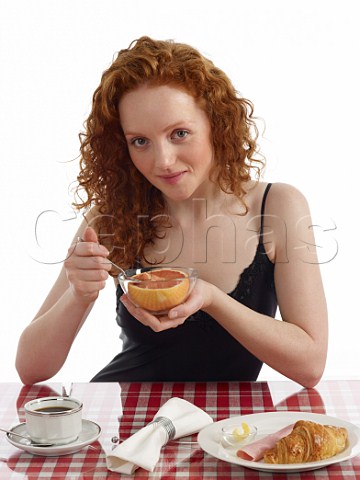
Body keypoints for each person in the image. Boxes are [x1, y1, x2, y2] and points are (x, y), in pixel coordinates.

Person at [16, 36, 328, 388]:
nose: (162, 161)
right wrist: (78, 294)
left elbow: (310, 364)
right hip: (130, 429)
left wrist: (211, 299)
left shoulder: (276, 207)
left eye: (179, 133)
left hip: (224, 435)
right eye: (140, 141)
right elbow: (31, 368)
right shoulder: (111, 216)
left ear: (216, 123)